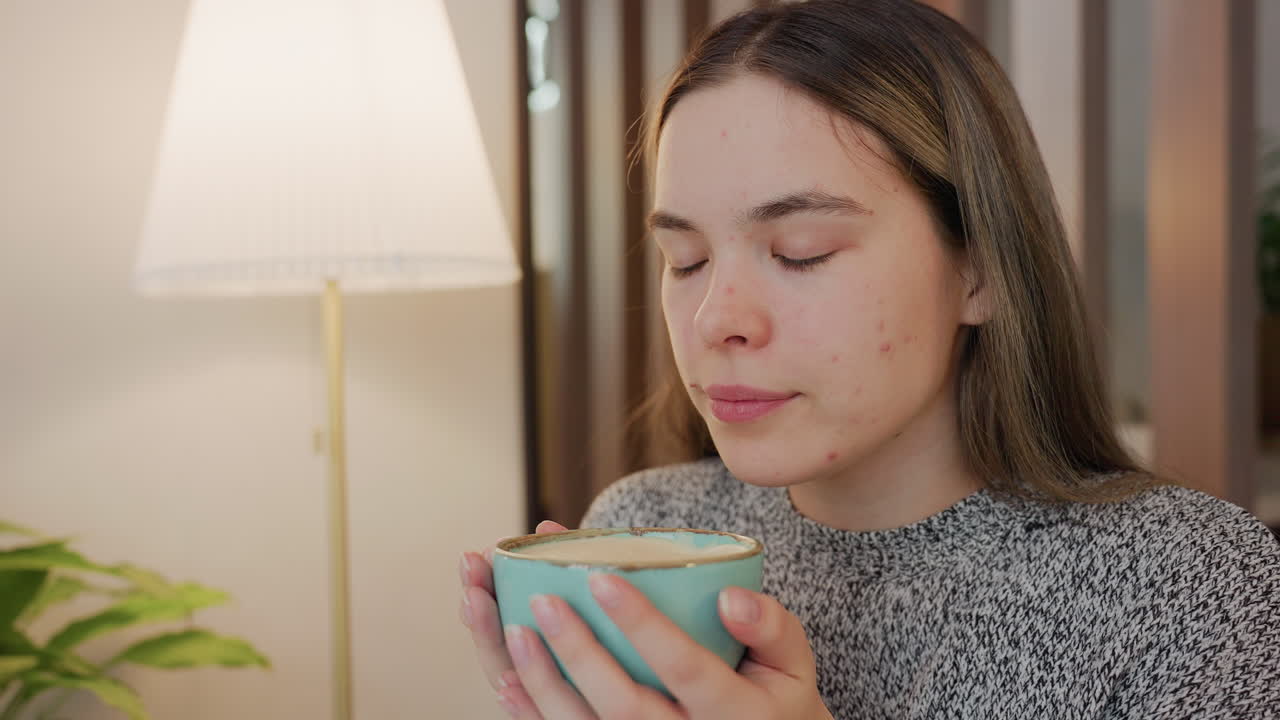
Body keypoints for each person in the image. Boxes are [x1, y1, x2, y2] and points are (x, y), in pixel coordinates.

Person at [458, 1, 1280, 717]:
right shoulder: (637, 537)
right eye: (686, 259)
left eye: (801, 251)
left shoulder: (1189, 586)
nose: (715, 321)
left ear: (982, 269)